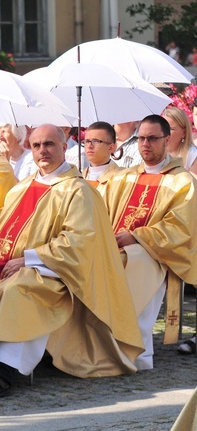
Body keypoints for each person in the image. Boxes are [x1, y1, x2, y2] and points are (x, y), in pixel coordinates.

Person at [0, 125, 142, 400]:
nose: (43, 150)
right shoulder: (24, 186)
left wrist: (29, 259)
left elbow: (80, 241)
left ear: (65, 148)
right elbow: (6, 224)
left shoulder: (77, 190)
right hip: (13, 264)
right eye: (37, 144)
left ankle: (3, 373)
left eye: (50, 144)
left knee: (18, 292)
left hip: (54, 273)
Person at [102, 115, 197, 366]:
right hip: (114, 245)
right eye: (142, 138)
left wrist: (135, 236)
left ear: (167, 140)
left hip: (155, 253)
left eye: (152, 138)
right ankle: (102, 346)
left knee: (134, 263)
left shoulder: (182, 181)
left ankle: (137, 352)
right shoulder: (124, 177)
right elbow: (103, 212)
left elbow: (181, 228)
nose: (145, 144)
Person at [81, 121, 121, 190]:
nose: (89, 146)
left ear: (111, 147)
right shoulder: (79, 176)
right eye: (87, 141)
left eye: (96, 141)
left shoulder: (121, 178)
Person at [163, 106, 197, 177]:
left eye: (170, 129)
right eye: (162, 128)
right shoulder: (155, 152)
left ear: (183, 133)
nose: (164, 132)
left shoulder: (192, 155)